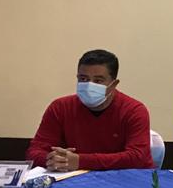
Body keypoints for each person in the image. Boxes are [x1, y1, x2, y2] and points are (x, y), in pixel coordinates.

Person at [26, 49, 154, 170]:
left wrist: (79, 161)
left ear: (113, 84)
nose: (89, 85)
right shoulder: (60, 107)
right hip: (74, 179)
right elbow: (34, 151)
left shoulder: (134, 111)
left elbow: (137, 158)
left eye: (98, 81)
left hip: (127, 180)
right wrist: (54, 160)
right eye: (83, 79)